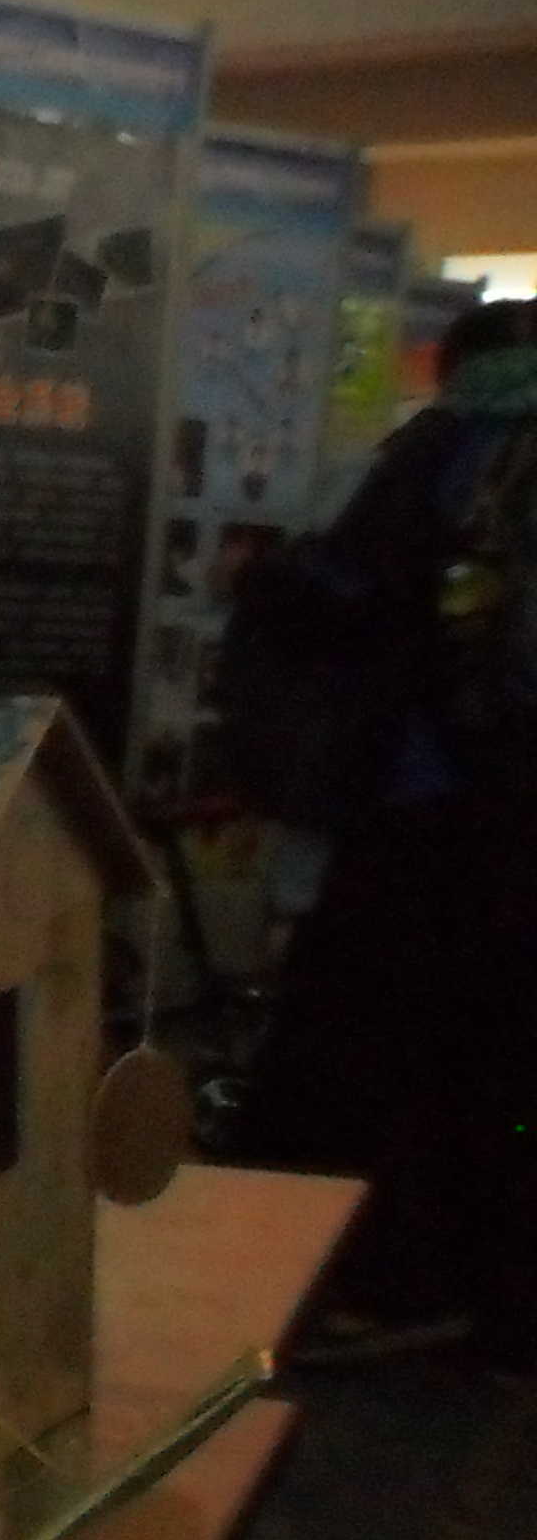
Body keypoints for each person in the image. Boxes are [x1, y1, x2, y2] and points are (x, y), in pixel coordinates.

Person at [234, 299, 537, 1359]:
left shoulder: (432, 455)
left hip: (425, 804)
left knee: (374, 1053)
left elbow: (335, 603)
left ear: (453, 366)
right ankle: (495, 1293)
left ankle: (375, 1281)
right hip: (507, 804)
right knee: (498, 1061)